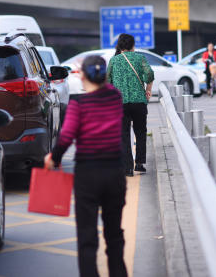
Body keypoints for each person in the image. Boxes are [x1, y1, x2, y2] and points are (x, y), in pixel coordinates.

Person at [45, 55, 127, 277]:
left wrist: (54, 157)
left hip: (88, 175)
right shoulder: (115, 97)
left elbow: (67, 136)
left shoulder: (78, 104)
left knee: (87, 237)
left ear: (83, 75)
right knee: (114, 234)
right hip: (114, 172)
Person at [107, 34, 154, 177]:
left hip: (120, 104)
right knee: (140, 132)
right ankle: (139, 164)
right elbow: (149, 74)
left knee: (124, 135)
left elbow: (108, 82)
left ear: (119, 46)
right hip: (139, 102)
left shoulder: (114, 61)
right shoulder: (140, 58)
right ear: (133, 45)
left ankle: (127, 167)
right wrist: (148, 90)